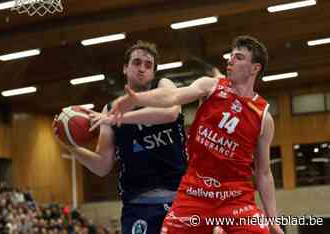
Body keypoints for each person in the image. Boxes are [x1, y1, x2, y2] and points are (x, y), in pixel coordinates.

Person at [110, 36, 284, 234]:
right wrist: (137, 98)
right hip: (195, 191)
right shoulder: (210, 86)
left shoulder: (263, 117)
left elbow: (263, 173)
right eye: (230, 55)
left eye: (238, 57)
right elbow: (173, 96)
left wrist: (273, 220)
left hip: (235, 196)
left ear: (255, 68)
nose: (230, 60)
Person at [53, 40, 188, 234]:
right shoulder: (109, 109)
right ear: (125, 68)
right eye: (136, 62)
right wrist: (69, 145)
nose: (142, 68)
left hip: (179, 199)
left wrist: (118, 118)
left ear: (153, 72)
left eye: (148, 65)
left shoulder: (164, 86)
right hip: (138, 203)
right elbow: (102, 166)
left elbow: (170, 113)